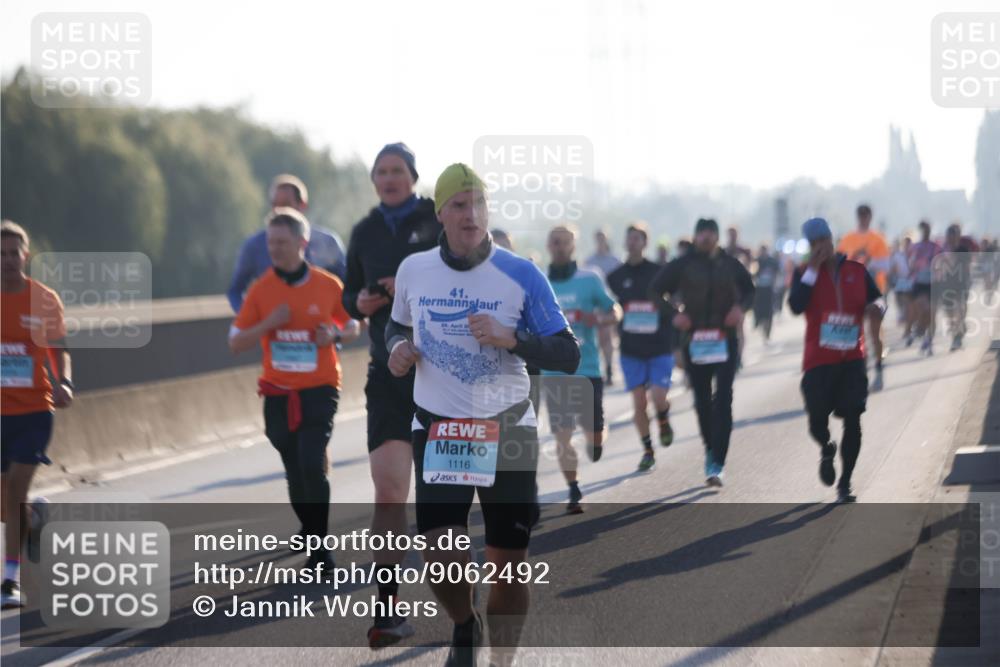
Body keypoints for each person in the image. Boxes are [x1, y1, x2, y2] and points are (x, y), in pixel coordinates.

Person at [386, 164, 579, 667]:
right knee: (440, 559)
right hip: (439, 428)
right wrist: (398, 349)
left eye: (478, 203)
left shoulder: (521, 274)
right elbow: (394, 327)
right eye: (458, 205)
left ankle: (501, 662)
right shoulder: (414, 271)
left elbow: (567, 353)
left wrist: (511, 338)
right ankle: (464, 625)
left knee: (508, 570)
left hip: (508, 428)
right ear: (441, 215)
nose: (470, 214)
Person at [341, 142, 442, 649]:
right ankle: (386, 608)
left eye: (397, 170)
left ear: (413, 176)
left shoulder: (438, 221)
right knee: (388, 491)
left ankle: (465, 606)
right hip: (387, 376)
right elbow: (347, 293)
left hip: (446, 378)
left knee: (442, 501)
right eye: (380, 171)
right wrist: (359, 300)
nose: (388, 178)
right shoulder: (363, 232)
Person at [229, 208, 361, 573]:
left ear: (302, 243)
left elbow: (352, 325)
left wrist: (332, 334)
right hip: (276, 390)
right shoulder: (262, 290)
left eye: (282, 242)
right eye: (271, 242)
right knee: (293, 467)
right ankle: (309, 528)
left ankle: (320, 551)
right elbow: (236, 341)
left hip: (320, 387)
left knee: (310, 462)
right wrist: (269, 323)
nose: (275, 249)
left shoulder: (326, 284)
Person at [650, 218, 755, 487]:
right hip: (694, 340)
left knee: (724, 398)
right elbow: (654, 291)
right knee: (702, 400)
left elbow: (749, 291)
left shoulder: (730, 264)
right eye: (702, 234)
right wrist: (675, 315)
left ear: (717, 237)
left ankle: (718, 461)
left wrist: (739, 309)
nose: (706, 238)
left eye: (711, 234)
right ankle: (710, 449)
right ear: (696, 237)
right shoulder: (683, 264)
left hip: (725, 339)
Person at [1, 221, 73, 609]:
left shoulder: (43, 299)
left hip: (33, 410)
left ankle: (9, 580)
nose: (9, 260)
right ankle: (34, 519)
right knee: (7, 504)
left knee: (14, 488)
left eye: (15, 253)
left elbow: (59, 350)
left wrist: (64, 383)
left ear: (26, 256)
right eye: (2, 253)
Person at [789, 218, 884, 503]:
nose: (822, 247)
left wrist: (876, 307)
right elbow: (796, 305)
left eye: (825, 240)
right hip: (818, 361)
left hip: (852, 359)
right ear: (810, 246)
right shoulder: (804, 274)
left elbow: (878, 298)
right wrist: (813, 271)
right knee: (817, 421)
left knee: (853, 418)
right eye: (815, 243)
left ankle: (845, 483)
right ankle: (826, 447)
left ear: (833, 240)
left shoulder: (855, 270)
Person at [543, 226, 619, 513]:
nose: (559, 246)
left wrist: (599, 318)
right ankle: (574, 489)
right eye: (555, 242)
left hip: (587, 368)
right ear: (549, 246)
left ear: (573, 246)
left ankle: (598, 436)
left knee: (593, 434)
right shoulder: (540, 282)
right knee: (562, 434)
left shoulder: (590, 279)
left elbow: (615, 311)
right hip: (554, 372)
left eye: (564, 242)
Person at [606, 223, 678, 473]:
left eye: (637, 239)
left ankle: (664, 418)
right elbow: (611, 307)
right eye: (629, 239)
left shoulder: (660, 272)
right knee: (638, 402)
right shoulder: (615, 276)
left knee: (658, 396)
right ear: (625, 243)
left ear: (645, 243)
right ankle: (648, 450)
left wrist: (670, 313)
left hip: (659, 346)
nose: (632, 242)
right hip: (631, 349)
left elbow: (675, 303)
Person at [227, 174, 348, 312]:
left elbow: (349, 287)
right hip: (274, 327)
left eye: (285, 205)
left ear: (302, 205)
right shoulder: (254, 245)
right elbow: (235, 291)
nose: (279, 211)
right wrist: (252, 320)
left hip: (318, 325)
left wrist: (336, 324)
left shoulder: (327, 242)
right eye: (275, 205)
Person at [837, 204, 890, 390]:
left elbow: (886, 265)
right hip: (853, 292)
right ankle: (862, 373)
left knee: (874, 333)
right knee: (858, 336)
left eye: (865, 216)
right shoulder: (847, 239)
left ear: (870, 217)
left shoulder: (878, 239)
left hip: (874, 291)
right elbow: (839, 265)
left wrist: (868, 260)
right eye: (860, 215)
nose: (863, 219)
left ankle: (879, 370)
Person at [584, 229, 621, 386]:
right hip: (594, 304)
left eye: (602, 239)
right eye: (597, 239)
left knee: (607, 337)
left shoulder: (614, 261)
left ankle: (609, 367)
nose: (600, 242)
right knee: (595, 337)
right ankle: (596, 368)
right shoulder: (589, 261)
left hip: (608, 303)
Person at [907, 221, 943, 354]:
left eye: (927, 229)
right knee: (923, 308)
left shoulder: (936, 247)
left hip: (933, 283)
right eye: (923, 230)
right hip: (919, 283)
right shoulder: (915, 247)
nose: (925, 232)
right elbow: (910, 263)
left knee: (932, 313)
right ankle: (919, 330)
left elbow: (942, 263)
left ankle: (929, 341)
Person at [938, 223, 974, 351]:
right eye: (948, 236)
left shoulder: (964, 249)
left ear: (957, 236)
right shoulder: (942, 250)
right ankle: (957, 332)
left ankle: (956, 339)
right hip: (946, 285)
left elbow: (967, 266)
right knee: (950, 314)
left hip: (961, 284)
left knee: (960, 309)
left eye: (953, 236)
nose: (950, 239)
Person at [752, 244, 780, 342]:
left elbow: (777, 272)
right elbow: (752, 274)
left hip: (769, 289)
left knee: (769, 312)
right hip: (759, 289)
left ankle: (767, 332)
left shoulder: (772, 261)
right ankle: (760, 325)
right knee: (760, 311)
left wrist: (775, 284)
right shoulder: (756, 261)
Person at [889, 237, 914, 331]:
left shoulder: (913, 255)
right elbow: (893, 268)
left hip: (910, 281)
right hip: (900, 280)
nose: (907, 246)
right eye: (906, 244)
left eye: (909, 244)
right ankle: (902, 314)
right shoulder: (898, 255)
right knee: (900, 299)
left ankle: (906, 320)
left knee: (907, 301)